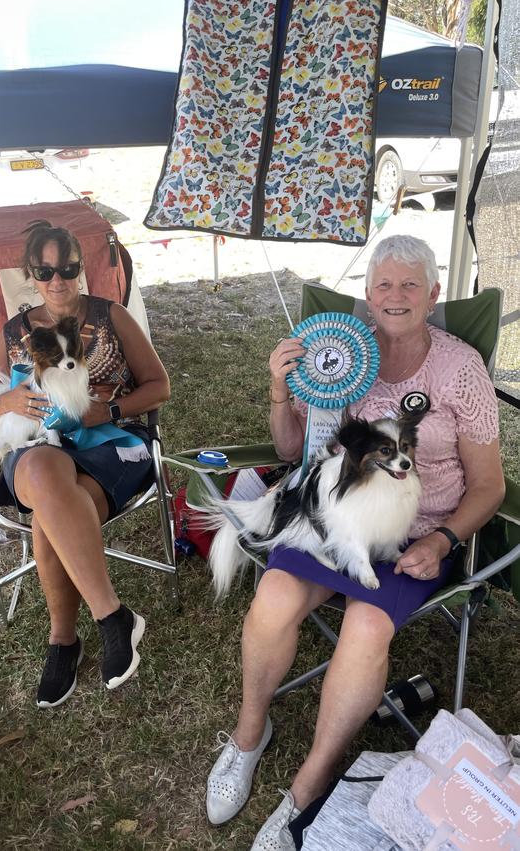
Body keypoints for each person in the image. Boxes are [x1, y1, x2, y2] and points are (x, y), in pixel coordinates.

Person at [205, 235, 505, 850]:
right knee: (274, 597)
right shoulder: (339, 351)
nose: (395, 297)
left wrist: (446, 540)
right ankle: (248, 736)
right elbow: (293, 452)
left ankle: (310, 782)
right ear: (367, 295)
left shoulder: (459, 370)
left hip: (411, 539)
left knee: (366, 627)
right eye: (384, 285)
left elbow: (491, 486)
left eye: (410, 285)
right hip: (331, 523)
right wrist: (281, 386)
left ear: (433, 295)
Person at [0, 220, 170, 708]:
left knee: (50, 510)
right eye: (45, 270)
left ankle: (63, 639)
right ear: (30, 274)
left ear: (81, 270)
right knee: (43, 472)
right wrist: (8, 402)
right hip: (39, 443)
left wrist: (114, 409)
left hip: (109, 441)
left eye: (68, 268)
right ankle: (111, 615)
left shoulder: (112, 315)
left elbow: (159, 386)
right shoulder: (15, 331)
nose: (57, 279)